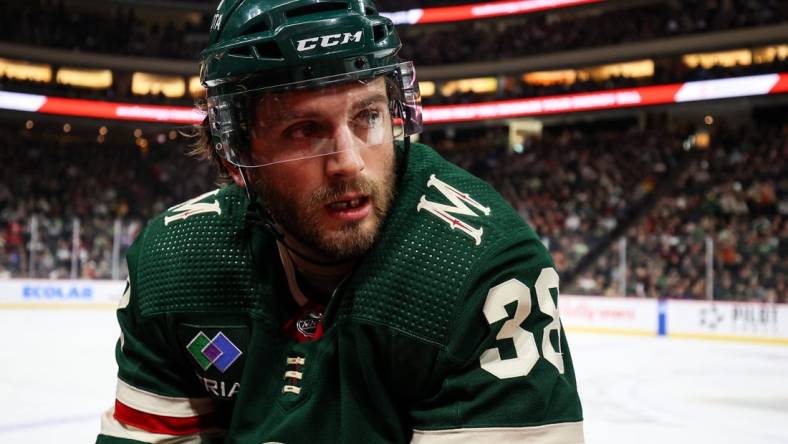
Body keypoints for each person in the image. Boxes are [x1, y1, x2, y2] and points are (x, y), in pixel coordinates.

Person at [97, 0, 584, 442]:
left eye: (367, 116)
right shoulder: (175, 264)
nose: (349, 162)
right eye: (304, 130)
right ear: (234, 154)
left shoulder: (481, 269)